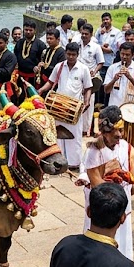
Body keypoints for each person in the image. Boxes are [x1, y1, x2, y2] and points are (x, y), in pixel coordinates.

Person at [75, 106, 134, 259]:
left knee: (121, 247)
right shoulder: (94, 152)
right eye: (115, 132)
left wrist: (124, 190)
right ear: (104, 132)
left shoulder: (126, 147)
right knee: (100, 250)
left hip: (121, 208)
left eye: (121, 130)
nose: (119, 135)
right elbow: (97, 185)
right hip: (103, 210)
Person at [39, 42, 93, 171]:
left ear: (77, 55)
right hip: (58, 106)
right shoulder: (59, 66)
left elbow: (88, 88)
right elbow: (51, 82)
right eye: (68, 54)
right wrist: (41, 90)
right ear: (65, 53)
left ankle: (74, 163)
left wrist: (87, 101)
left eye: (73, 55)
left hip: (74, 108)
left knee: (75, 135)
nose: (70, 57)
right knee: (58, 134)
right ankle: (60, 161)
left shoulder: (83, 68)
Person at [104, 42, 134, 106]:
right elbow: (106, 90)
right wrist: (114, 80)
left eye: (127, 55)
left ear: (133, 55)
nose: (124, 57)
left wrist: (130, 78)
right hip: (114, 105)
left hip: (131, 107)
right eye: (122, 54)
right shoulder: (112, 67)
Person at [14, 20, 47, 86]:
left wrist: (38, 67)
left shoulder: (40, 44)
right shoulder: (19, 42)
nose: (28, 32)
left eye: (30, 30)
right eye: (26, 30)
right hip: (20, 75)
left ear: (35, 30)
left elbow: (43, 61)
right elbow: (15, 56)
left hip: (33, 77)